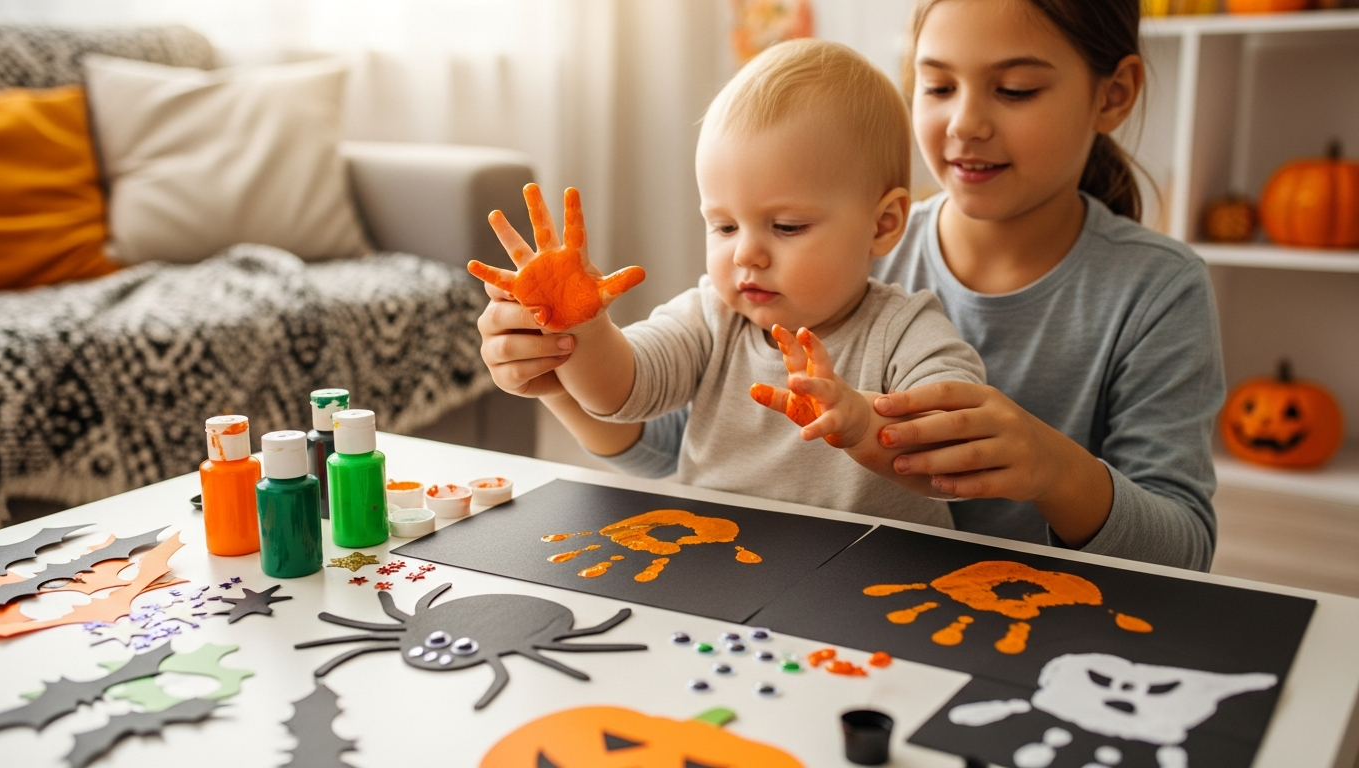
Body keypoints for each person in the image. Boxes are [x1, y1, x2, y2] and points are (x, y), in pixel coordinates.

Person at [479, 0, 1226, 572]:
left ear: (1113, 94)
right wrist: (564, 357)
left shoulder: (1150, 290)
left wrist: (1055, 467)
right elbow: (664, 438)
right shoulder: (757, 289)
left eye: (1017, 89)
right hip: (744, 571)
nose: (965, 124)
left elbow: (1182, 551)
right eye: (935, 85)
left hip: (964, 598)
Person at [474, 39, 985, 527]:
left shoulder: (906, 328)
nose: (745, 253)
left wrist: (860, 422)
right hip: (724, 559)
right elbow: (623, 391)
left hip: (873, 576)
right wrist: (583, 329)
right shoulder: (711, 316)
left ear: (883, 224)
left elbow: (952, 455)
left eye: (786, 226)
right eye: (723, 226)